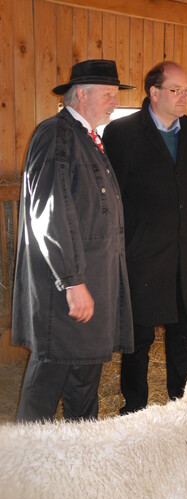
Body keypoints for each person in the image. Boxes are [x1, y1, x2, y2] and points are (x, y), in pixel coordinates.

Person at [12, 59, 135, 423]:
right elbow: (51, 211)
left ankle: (78, 468)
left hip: (89, 289)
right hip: (65, 292)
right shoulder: (56, 134)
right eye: (109, 95)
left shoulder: (86, 138)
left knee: (83, 386)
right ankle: (24, 470)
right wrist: (72, 280)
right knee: (46, 386)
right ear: (81, 95)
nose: (115, 102)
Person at [102, 61, 187, 414]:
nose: (184, 97)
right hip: (142, 258)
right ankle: (135, 411)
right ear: (154, 92)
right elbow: (112, 197)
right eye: (176, 90)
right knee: (138, 342)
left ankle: (183, 410)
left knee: (182, 338)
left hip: (183, 256)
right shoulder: (122, 133)